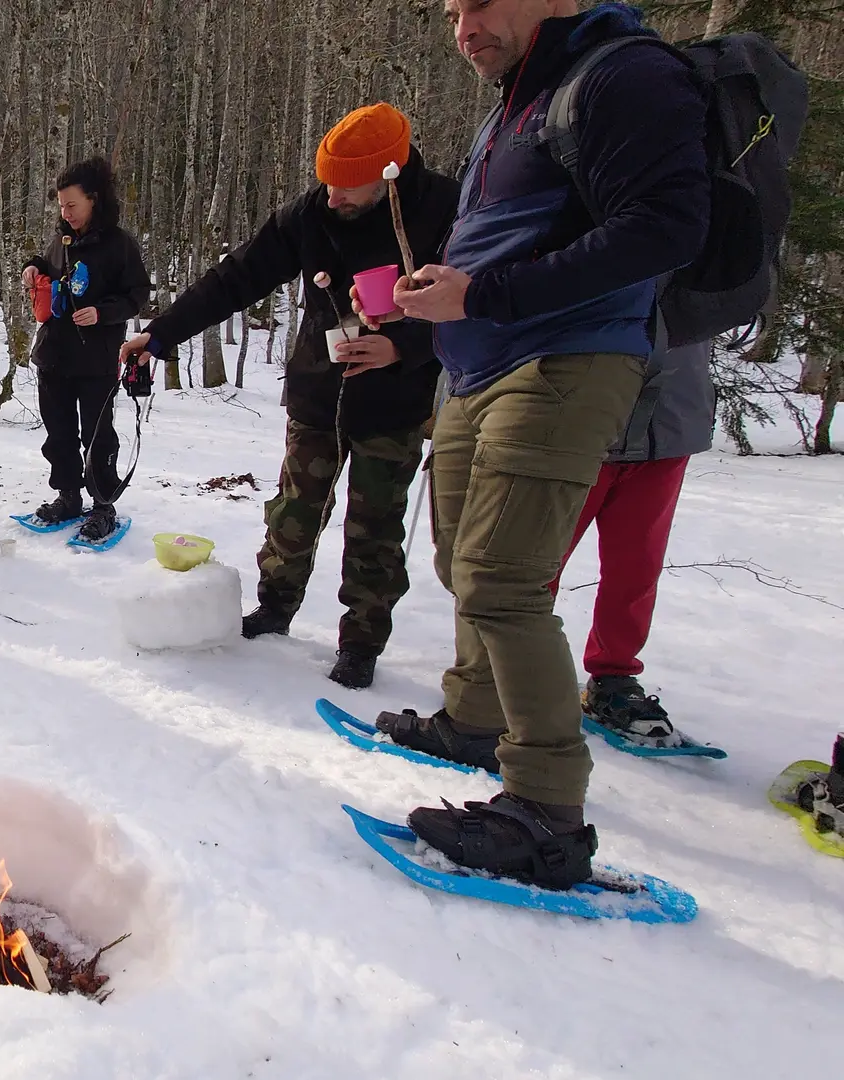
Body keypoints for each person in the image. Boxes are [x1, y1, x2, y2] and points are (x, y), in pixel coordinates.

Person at [365, 0, 711, 890]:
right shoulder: (519, 99)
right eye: (449, 13)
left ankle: (547, 813)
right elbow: (503, 240)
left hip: (566, 357)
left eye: (477, 4)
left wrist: (486, 295)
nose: (461, 28)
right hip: (476, 368)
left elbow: (667, 226)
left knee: (505, 578)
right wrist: (429, 313)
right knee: (461, 562)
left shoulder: (624, 73)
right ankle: (474, 719)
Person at [121, 104, 456, 690]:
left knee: (374, 524)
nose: (332, 198)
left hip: (395, 402)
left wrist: (405, 346)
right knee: (294, 511)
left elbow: (472, 306)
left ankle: (361, 640)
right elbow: (237, 278)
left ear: (389, 175)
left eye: (345, 188)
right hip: (318, 391)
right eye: (325, 184)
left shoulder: (444, 210)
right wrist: (162, 332)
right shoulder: (310, 215)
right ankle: (275, 605)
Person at [558, 334, 713, 743]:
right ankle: (501, 668)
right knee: (536, 560)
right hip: (573, 421)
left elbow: (749, 297)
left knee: (637, 568)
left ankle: (613, 677)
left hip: (668, 423)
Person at [21, 157, 151, 545]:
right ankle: (68, 496)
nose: (66, 212)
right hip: (54, 355)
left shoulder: (119, 244)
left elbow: (137, 296)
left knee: (97, 435)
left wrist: (103, 313)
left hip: (96, 358)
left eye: (72, 205)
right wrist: (31, 267)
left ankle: (103, 504)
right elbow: (45, 264)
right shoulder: (61, 239)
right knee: (58, 431)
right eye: (61, 205)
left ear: (93, 200)